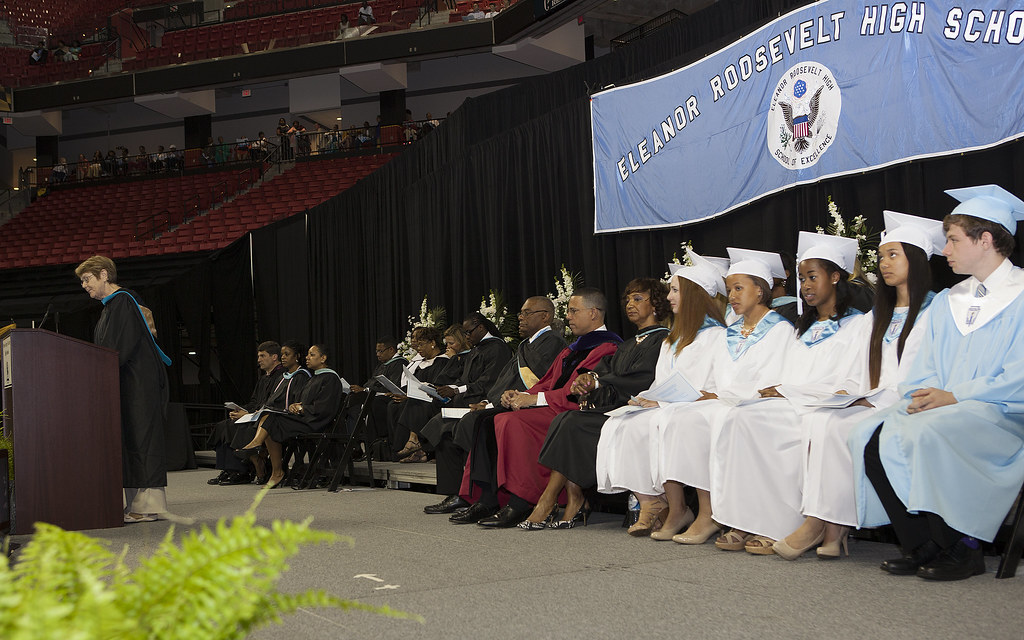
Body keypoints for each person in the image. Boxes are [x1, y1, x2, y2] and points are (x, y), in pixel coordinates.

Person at [850, 185, 1024, 580]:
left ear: (985, 240)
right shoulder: (950, 300)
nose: (945, 250)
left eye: (953, 240)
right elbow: (926, 365)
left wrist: (955, 395)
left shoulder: (1021, 295)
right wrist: (922, 394)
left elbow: (1019, 377)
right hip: (952, 406)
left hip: (1003, 413)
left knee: (930, 433)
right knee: (869, 435)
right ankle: (923, 543)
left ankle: (964, 547)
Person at [773, 212, 942, 560]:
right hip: (874, 401)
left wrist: (876, 399)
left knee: (833, 425)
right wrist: (850, 393)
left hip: (910, 404)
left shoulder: (938, 310)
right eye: (881, 256)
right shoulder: (875, 317)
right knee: (825, 420)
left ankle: (821, 523)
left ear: (917, 258)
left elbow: (934, 370)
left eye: (893, 255)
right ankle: (830, 527)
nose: (883, 263)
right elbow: (855, 370)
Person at [592, 250, 789, 543]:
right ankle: (659, 503)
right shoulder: (678, 337)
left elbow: (733, 382)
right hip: (710, 401)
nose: (668, 297)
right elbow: (667, 381)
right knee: (622, 422)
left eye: (674, 290)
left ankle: (707, 512)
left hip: (738, 403)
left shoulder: (726, 334)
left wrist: (701, 396)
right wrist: (649, 397)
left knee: (679, 419)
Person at [710, 232, 867, 555]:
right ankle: (749, 518)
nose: (805, 285)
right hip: (796, 401)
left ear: (835, 277)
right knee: (743, 416)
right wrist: (781, 390)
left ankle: (782, 525)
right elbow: (788, 375)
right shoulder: (802, 327)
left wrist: (792, 392)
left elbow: (849, 383)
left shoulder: (857, 325)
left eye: (813, 277)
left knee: (761, 422)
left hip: (826, 406)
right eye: (801, 278)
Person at [450, 287, 621, 526]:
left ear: (593, 313)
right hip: (554, 406)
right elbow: (547, 382)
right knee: (485, 420)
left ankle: (522, 501)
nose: (568, 317)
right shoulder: (572, 348)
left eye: (573, 311)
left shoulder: (608, 348)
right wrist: (518, 394)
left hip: (576, 411)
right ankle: (489, 498)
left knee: (509, 421)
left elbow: (576, 391)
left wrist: (533, 400)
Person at [517, 278, 672, 530]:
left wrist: (598, 382)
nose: (629, 305)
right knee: (567, 420)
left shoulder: (664, 340)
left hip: (639, 411)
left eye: (638, 299)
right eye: (628, 299)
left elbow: (642, 379)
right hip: (618, 409)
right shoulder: (631, 343)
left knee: (571, 423)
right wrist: (587, 381)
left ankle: (550, 500)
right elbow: (605, 373)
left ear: (656, 304)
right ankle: (570, 500)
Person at [423, 296, 566, 514]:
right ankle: (458, 491)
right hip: (503, 401)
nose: (520, 318)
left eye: (527, 313)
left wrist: (492, 404)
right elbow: (504, 380)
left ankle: (478, 494)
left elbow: (536, 381)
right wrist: (488, 401)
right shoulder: (527, 345)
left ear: (545, 316)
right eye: (520, 313)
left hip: (525, 405)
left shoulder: (552, 342)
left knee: (473, 422)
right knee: (444, 424)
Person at [76, 256, 173, 523]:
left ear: (104, 274)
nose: (84, 286)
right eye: (82, 281)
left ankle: (149, 507)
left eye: (87, 279)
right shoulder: (112, 306)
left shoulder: (123, 302)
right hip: (128, 383)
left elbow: (116, 349)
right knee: (133, 441)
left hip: (139, 384)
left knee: (143, 440)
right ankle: (137, 504)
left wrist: (97, 371)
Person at [235, 344, 346, 488]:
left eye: (312, 355)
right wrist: (297, 405)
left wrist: (302, 408)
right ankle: (273, 467)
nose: (307, 357)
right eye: (307, 354)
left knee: (272, 420)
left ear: (323, 358)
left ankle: (265, 456)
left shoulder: (330, 378)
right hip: (306, 418)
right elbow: (308, 401)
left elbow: (324, 408)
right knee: (269, 416)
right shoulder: (315, 378)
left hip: (317, 422)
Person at [206, 341, 285, 486]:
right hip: (255, 414)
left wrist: (247, 414)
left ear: (274, 357)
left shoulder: (282, 377)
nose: (259, 360)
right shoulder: (263, 378)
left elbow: (272, 404)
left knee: (236, 427)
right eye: (258, 356)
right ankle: (228, 469)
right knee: (224, 425)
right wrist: (241, 411)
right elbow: (254, 402)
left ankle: (241, 471)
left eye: (262, 356)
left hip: (267, 418)